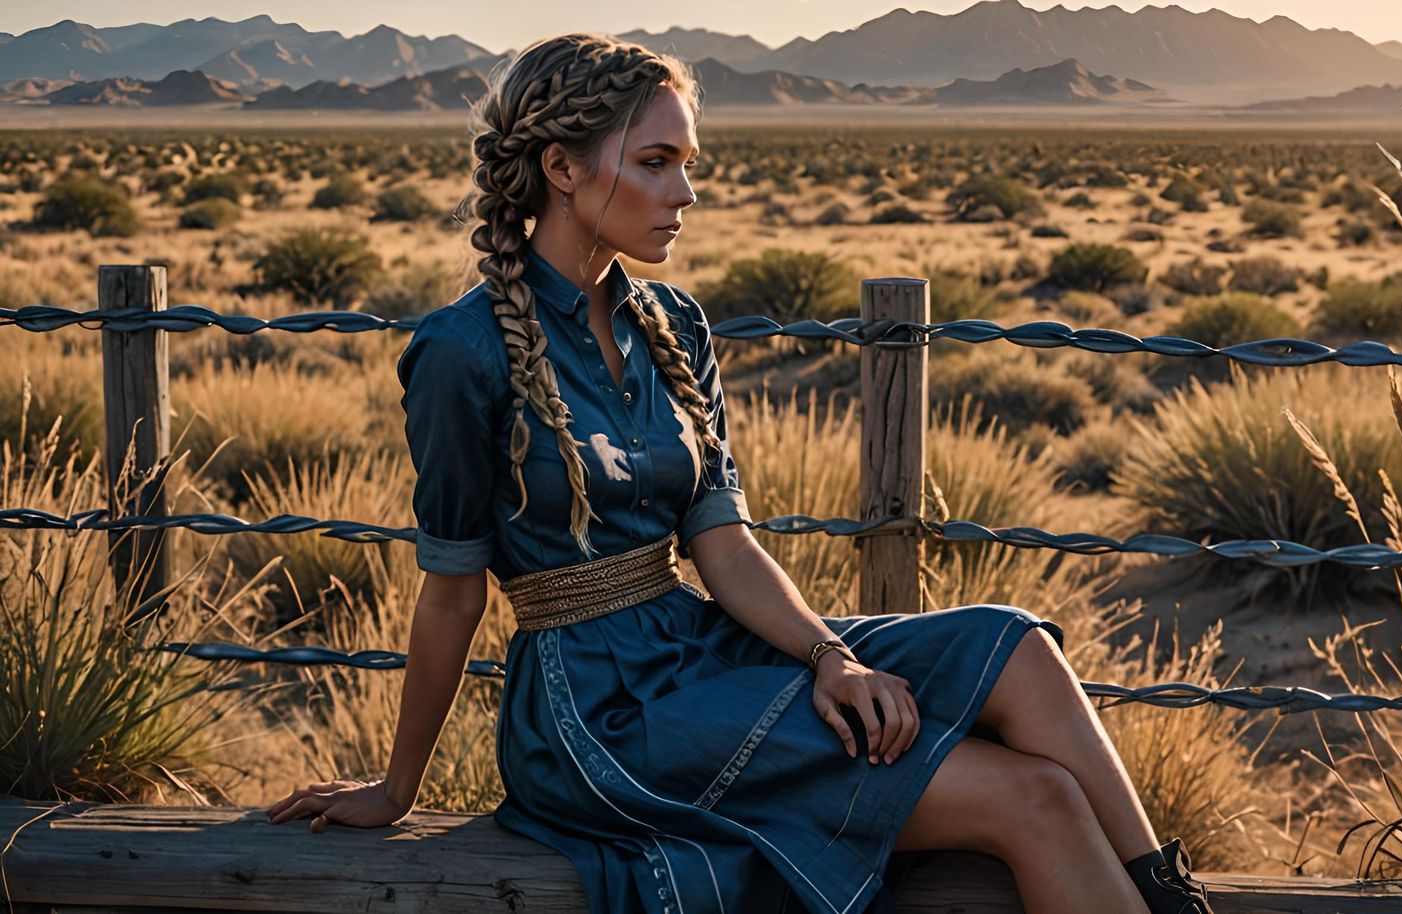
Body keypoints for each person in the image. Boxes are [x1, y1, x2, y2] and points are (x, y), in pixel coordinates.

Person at [264, 32, 1214, 914]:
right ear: (560, 167)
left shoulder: (675, 325)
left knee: (1015, 646)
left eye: (687, 164)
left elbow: (723, 545)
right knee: (1033, 797)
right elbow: (450, 594)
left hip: (694, 645)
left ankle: (1171, 899)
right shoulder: (462, 350)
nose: (684, 193)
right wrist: (398, 788)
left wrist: (829, 658)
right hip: (595, 708)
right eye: (656, 162)